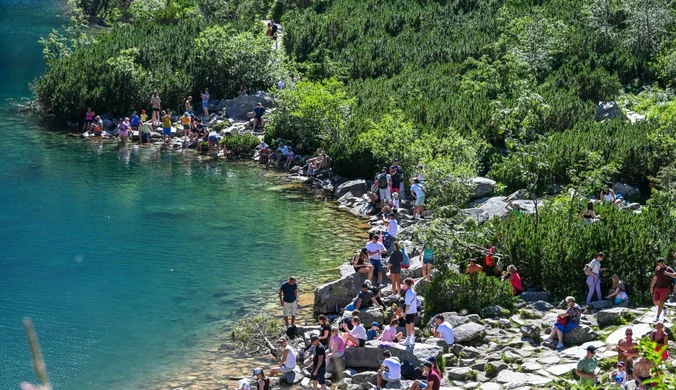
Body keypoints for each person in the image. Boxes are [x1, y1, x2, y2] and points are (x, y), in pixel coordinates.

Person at [401, 278, 417, 346]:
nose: (403, 285)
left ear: (406, 284)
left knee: (407, 325)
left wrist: (405, 313)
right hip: (413, 310)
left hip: (409, 311)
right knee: (412, 324)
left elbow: (407, 304)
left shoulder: (408, 292)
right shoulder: (413, 290)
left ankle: (408, 339)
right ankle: (412, 339)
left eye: (404, 284)